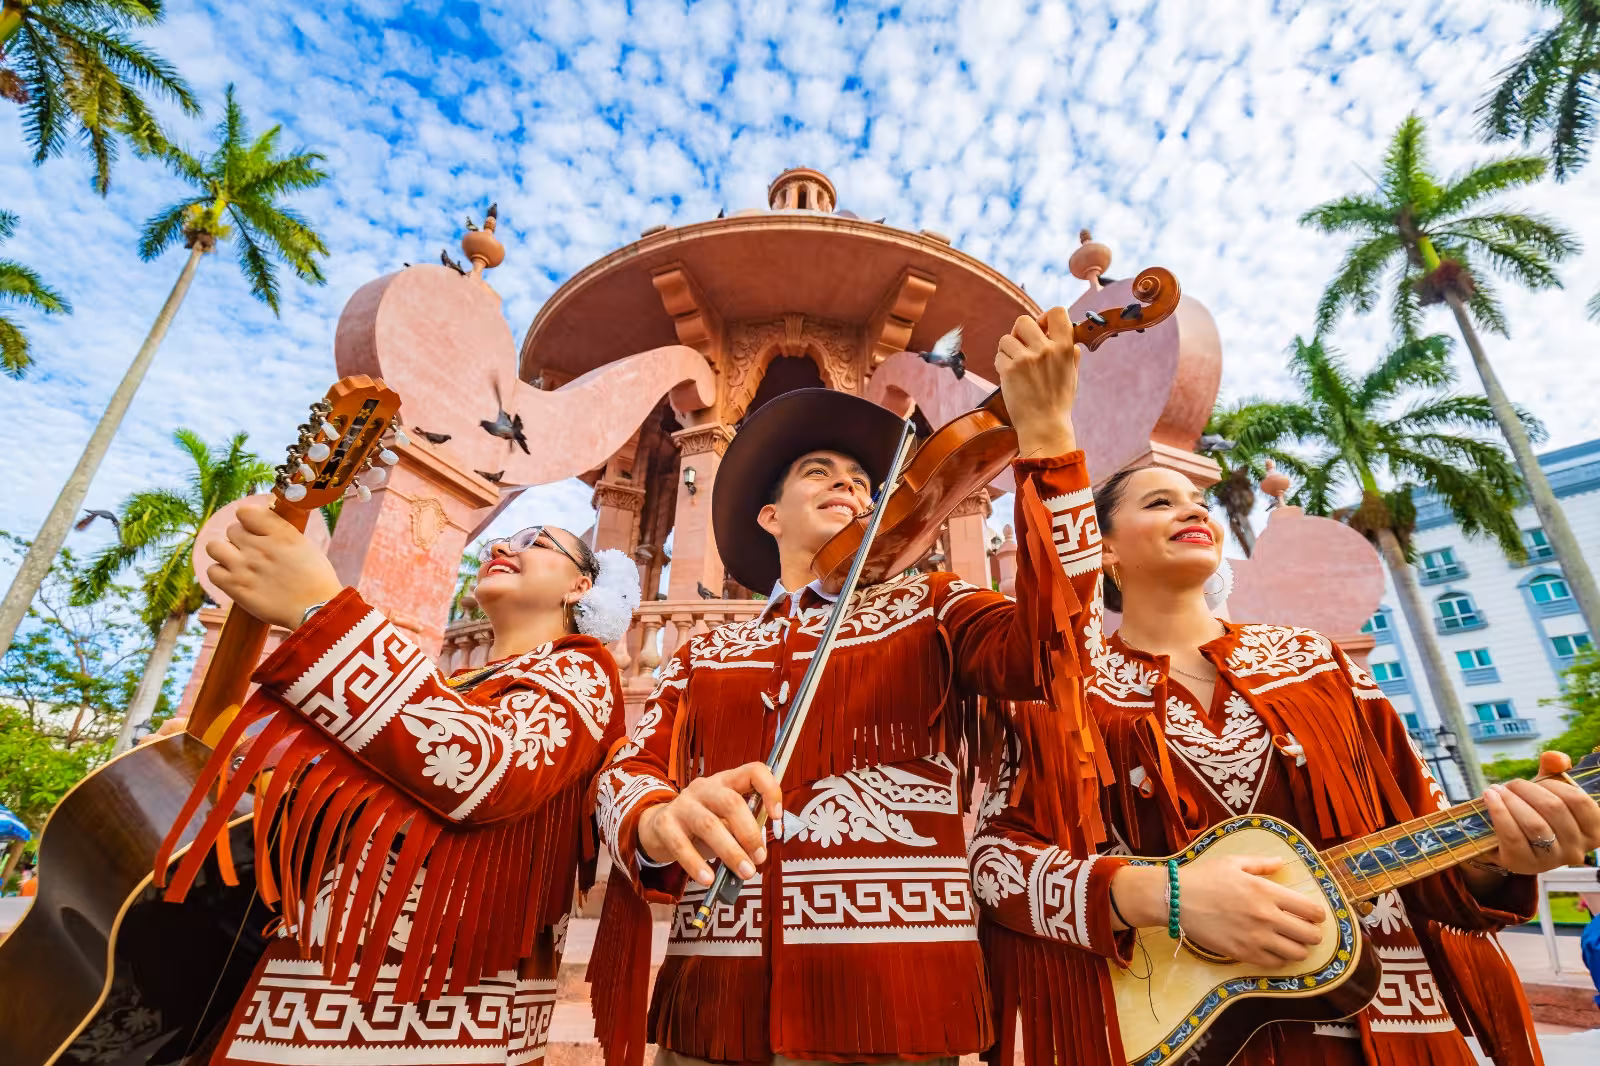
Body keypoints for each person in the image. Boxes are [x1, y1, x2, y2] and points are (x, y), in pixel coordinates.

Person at [969, 455, 1600, 1066]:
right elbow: (998, 865)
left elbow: (1428, 839)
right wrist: (1156, 894)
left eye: (1198, 501)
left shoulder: (1317, 662)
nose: (1192, 508)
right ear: (1103, 549)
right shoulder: (1063, 694)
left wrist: (1501, 854)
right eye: (1160, 501)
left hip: (1383, 1028)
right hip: (1180, 1035)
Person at [587, 310, 1092, 1066]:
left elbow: (1057, 646)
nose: (850, 489)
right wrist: (659, 818)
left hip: (896, 1001)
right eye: (819, 474)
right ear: (769, 515)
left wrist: (1049, 441)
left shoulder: (934, 604)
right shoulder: (709, 650)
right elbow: (627, 768)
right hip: (715, 1008)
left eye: (862, 482)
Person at [163, 509, 640, 1066]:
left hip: (427, 1005)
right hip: (321, 977)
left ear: (581, 586)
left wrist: (323, 616)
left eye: (537, 542)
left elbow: (484, 771)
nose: (505, 546)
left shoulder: (582, 669)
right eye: (503, 538)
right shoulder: (450, 685)